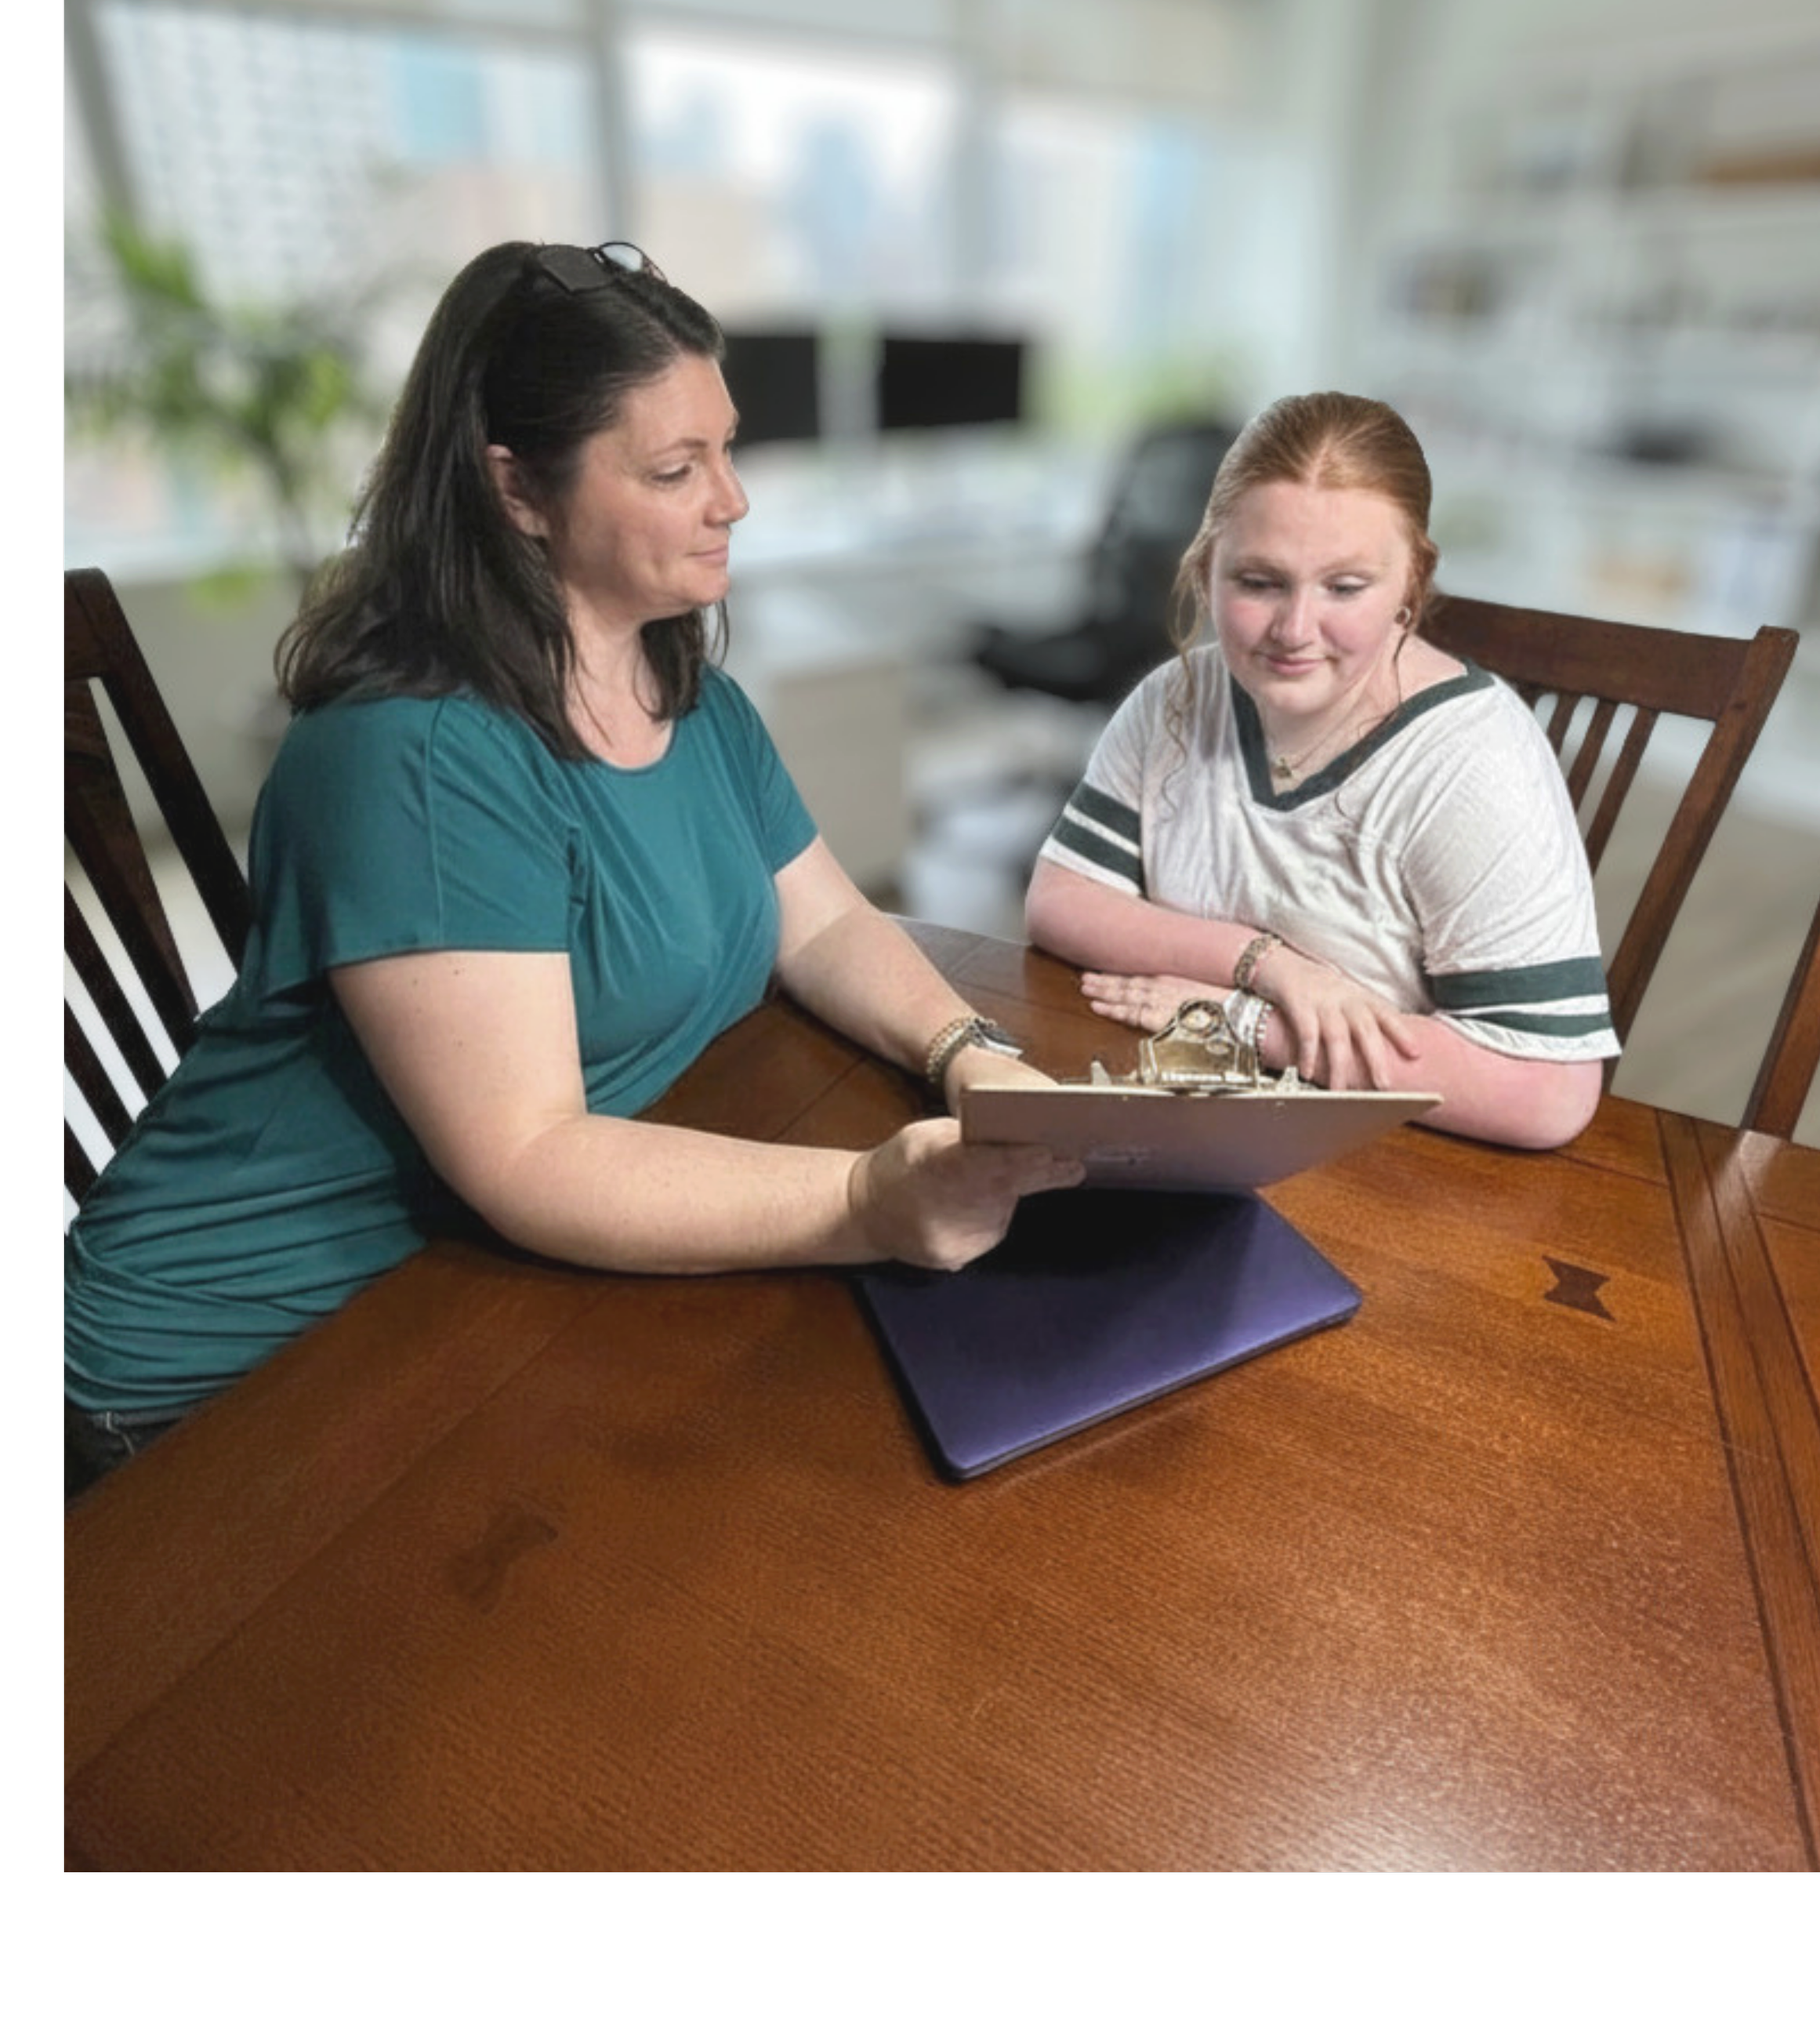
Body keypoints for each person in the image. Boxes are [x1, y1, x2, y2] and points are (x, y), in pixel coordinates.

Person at [65, 240, 1075, 1494]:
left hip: (457, 1291)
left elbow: (821, 924)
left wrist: (970, 1056)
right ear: (518, 489)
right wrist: (871, 1199)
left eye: (727, 446)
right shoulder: (417, 758)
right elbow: (531, 1154)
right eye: (675, 467)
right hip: (233, 1359)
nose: (734, 498)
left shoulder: (679, 680)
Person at [1025, 392, 1619, 1150]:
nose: (1295, 630)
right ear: (1206, 567)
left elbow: (1546, 1093)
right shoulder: (1176, 698)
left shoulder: (1473, 764)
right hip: (1185, 1118)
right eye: (1260, 581)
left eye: (1344, 587)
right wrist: (1268, 966)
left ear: (1412, 584)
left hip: (1386, 1161)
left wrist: (1244, 1024)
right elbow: (1062, 899)